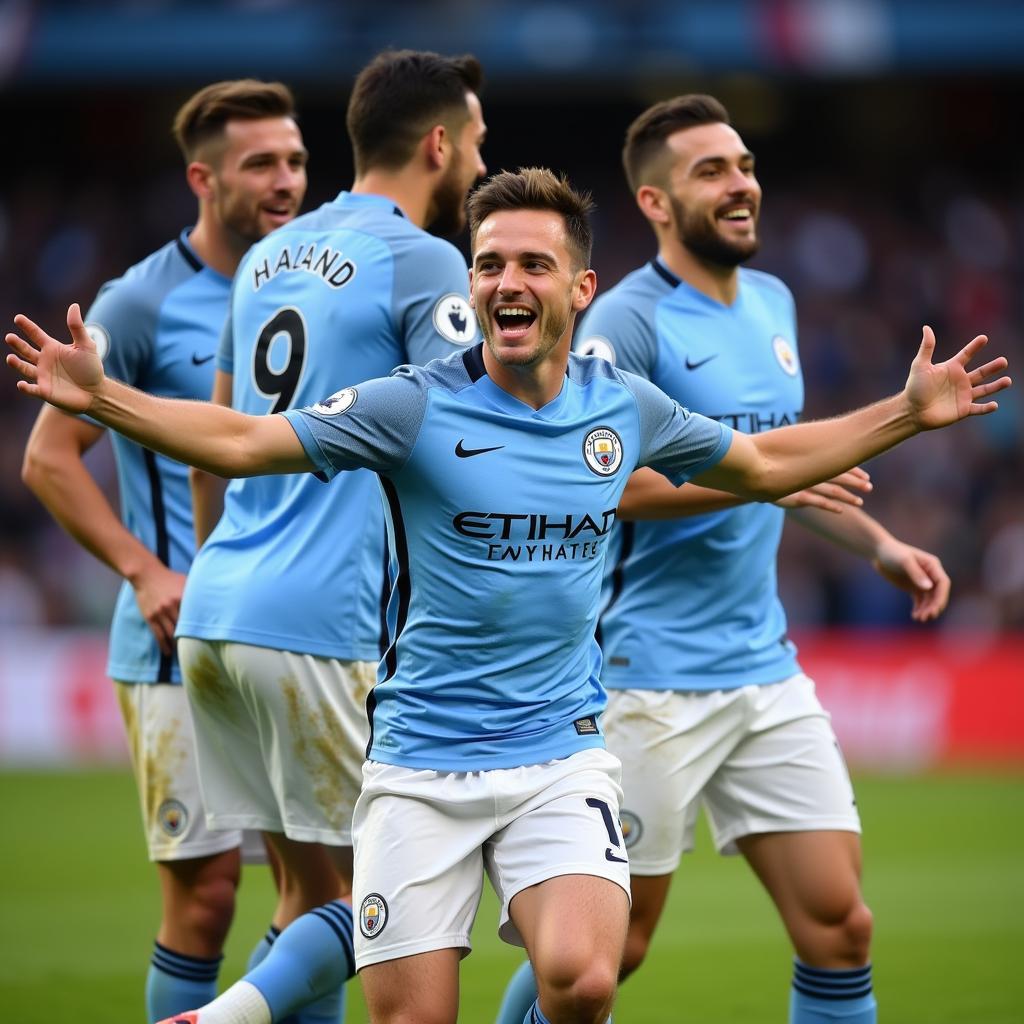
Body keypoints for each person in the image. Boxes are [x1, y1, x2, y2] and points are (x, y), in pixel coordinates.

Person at [5, 167, 1010, 1024]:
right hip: (418, 768)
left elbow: (753, 463)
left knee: (580, 979)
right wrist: (103, 396)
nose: (504, 281)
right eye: (487, 263)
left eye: (530, 264)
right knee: (417, 1012)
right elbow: (243, 440)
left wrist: (906, 415)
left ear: (578, 286)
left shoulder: (622, 406)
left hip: (556, 759)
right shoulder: (413, 403)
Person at [495, 94, 958, 1024]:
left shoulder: (775, 302)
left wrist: (877, 542)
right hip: (644, 678)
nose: (742, 183)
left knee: (840, 926)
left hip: (761, 670)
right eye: (712, 171)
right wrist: (759, 484)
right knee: (608, 950)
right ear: (657, 203)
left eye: (744, 164)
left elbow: (786, 467)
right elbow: (610, 487)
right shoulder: (626, 326)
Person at [150, 49, 487, 1024]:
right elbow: (466, 438)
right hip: (320, 615)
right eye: (476, 141)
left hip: (220, 605)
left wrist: (215, 568)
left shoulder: (267, 253)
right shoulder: (422, 261)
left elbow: (215, 445)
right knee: (373, 903)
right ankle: (213, 1020)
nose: (478, 158)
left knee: (304, 898)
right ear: (438, 143)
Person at [18, 80, 307, 1022]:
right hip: (178, 642)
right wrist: (145, 571)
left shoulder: (312, 282)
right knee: (209, 894)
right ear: (201, 177)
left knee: (328, 890)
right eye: (260, 162)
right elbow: (50, 460)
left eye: (296, 160)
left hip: (297, 635)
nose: (286, 180)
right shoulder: (141, 302)